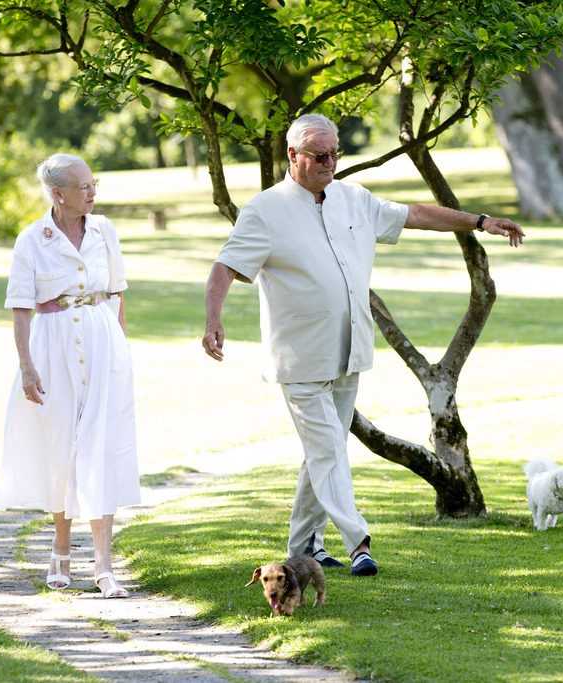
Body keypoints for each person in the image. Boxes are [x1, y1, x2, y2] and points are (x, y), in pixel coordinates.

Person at [203, 113, 525, 576]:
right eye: (320, 155)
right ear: (292, 156)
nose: (331, 162)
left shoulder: (353, 199)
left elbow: (414, 214)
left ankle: (303, 549)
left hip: (350, 351)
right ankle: (359, 542)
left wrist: (479, 221)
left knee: (324, 451)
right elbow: (225, 267)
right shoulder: (265, 210)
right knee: (329, 450)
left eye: (336, 153)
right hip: (299, 358)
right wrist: (213, 319)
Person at [0, 153, 140, 598]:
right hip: (52, 345)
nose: (92, 192)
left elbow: (117, 293)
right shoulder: (31, 240)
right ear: (57, 194)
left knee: (101, 445)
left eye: (93, 183)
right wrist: (26, 366)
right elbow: (21, 307)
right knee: (60, 446)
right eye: (83, 187)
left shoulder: (105, 232)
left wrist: (120, 352)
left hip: (102, 343)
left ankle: (103, 565)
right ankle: (61, 548)